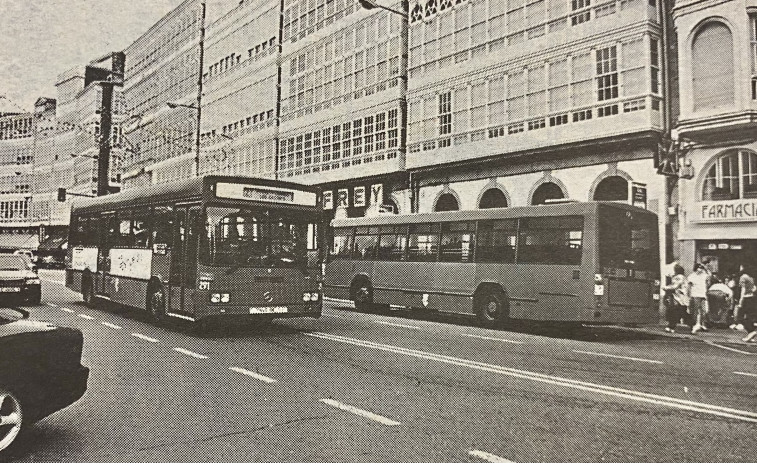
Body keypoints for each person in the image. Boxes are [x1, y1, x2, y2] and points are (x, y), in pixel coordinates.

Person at [662, 264, 689, 333]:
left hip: (679, 297)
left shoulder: (679, 277)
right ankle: (671, 326)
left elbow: (675, 286)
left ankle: (671, 326)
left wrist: (665, 287)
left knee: (675, 312)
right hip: (680, 297)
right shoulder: (681, 277)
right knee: (679, 312)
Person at [688, 263, 710, 333]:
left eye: (701, 268)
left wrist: (705, 268)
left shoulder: (704, 275)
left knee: (704, 311)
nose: (700, 269)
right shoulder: (692, 276)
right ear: (696, 268)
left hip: (702, 295)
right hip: (695, 295)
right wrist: (689, 295)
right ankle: (694, 325)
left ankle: (702, 324)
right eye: (699, 268)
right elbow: (689, 286)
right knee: (695, 311)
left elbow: (710, 276)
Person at [737, 264, 756, 342]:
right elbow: (754, 288)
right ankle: (750, 335)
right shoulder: (751, 278)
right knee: (750, 316)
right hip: (752, 298)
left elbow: (743, 290)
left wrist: (740, 301)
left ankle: (752, 332)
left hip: (746, 298)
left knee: (740, 317)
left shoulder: (743, 277)